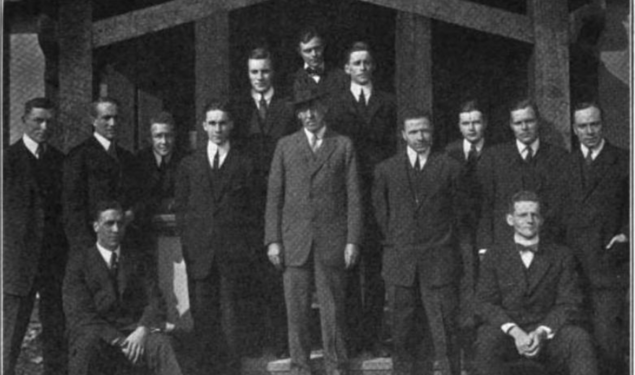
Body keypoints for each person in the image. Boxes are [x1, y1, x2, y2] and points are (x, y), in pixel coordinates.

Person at [265, 87, 362, 375]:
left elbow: (354, 197)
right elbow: (274, 197)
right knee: (296, 311)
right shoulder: (285, 146)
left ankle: (336, 365)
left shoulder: (343, 145)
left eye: (314, 108)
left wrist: (352, 240)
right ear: (297, 113)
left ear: (325, 109)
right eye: (303, 109)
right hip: (294, 240)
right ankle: (300, 366)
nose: (309, 115)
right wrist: (272, 240)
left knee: (333, 309)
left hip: (332, 240)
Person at [373, 109, 461, 375]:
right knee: (402, 334)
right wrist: (402, 242)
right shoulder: (385, 170)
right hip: (401, 263)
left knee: (445, 333)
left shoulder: (450, 167)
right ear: (403, 135)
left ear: (432, 133)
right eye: (413, 131)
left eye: (424, 130)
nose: (420, 137)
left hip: (439, 262)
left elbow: (459, 214)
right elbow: (381, 214)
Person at [175, 100, 259, 375]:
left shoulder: (244, 164)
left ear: (231, 125)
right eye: (212, 123)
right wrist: (190, 246)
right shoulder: (189, 165)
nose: (217, 129)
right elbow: (183, 211)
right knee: (203, 319)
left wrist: (245, 250)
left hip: (233, 257)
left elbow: (252, 212)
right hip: (200, 255)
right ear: (203, 126)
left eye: (223, 123)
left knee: (231, 320)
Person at [474, 191, 597, 375]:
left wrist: (541, 332)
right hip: (509, 337)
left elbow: (569, 303)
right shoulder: (494, 255)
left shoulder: (561, 255)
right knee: (486, 339)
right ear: (510, 219)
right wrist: (515, 332)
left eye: (535, 215)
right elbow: (485, 303)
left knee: (578, 339)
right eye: (522, 215)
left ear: (542, 220)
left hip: (547, 336)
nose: (529, 220)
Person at [326, 42, 397, 356]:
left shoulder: (388, 102)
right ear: (347, 69)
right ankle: (353, 339)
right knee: (350, 267)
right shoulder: (336, 104)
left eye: (367, 62)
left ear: (373, 67)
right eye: (356, 63)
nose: (362, 68)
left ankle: (375, 338)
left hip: (379, 192)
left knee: (376, 269)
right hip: (348, 192)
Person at [63, 200, 183, 375]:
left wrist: (142, 330)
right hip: (99, 336)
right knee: (85, 346)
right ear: (96, 226)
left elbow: (155, 301)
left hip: (135, 332)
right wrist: (120, 341)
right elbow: (81, 316)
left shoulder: (137, 259)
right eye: (109, 223)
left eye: (120, 223)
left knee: (162, 345)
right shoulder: (79, 263)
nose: (116, 229)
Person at [230, 46, 295, 357]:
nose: (259, 77)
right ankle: (253, 344)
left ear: (273, 72)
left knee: (278, 272)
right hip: (247, 202)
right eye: (254, 72)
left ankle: (281, 343)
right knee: (250, 274)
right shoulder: (238, 109)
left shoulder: (287, 107)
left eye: (265, 71)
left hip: (281, 199)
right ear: (248, 74)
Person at [562, 102, 629, 375]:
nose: (589, 131)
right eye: (583, 126)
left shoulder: (624, 160)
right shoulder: (565, 164)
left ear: (603, 125)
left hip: (607, 266)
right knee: (578, 344)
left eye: (594, 124)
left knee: (608, 342)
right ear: (575, 130)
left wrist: (627, 234)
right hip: (573, 270)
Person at [3, 98, 68, 375]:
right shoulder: (8, 160)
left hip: (54, 260)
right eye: (38, 120)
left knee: (55, 329)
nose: (44, 126)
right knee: (12, 332)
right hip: (20, 260)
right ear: (24, 121)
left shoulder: (59, 160)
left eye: (49, 122)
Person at [477, 99, 566, 255]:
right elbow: (485, 206)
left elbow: (564, 207)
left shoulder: (559, 157)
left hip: (548, 246)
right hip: (505, 246)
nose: (524, 128)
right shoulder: (493, 157)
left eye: (529, 121)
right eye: (518, 123)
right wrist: (484, 247)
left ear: (538, 122)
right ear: (511, 125)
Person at [63, 97, 138, 254]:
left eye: (116, 118)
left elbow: (135, 197)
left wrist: (131, 212)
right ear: (93, 120)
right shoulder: (78, 156)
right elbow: (72, 209)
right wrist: (87, 250)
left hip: (125, 245)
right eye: (106, 118)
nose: (112, 123)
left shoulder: (127, 158)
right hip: (92, 245)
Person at [444, 100, 489, 333]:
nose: (471, 128)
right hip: (458, 227)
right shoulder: (449, 153)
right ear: (459, 126)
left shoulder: (495, 152)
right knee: (463, 277)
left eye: (476, 122)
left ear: (485, 124)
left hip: (487, 223)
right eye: (466, 123)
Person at [288, 26, 348, 100]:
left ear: (323, 46)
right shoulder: (292, 80)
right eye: (308, 51)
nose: (314, 54)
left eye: (317, 48)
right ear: (299, 52)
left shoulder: (341, 76)